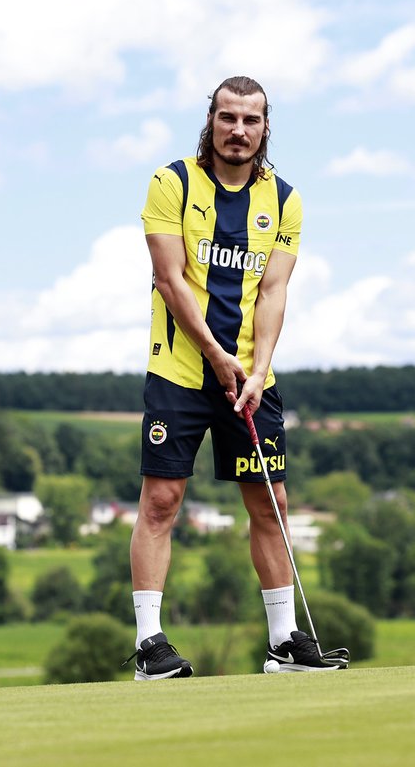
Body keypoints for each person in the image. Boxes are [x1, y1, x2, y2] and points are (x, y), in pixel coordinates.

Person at [127, 75, 334, 680]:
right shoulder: (172, 183)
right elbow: (170, 280)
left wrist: (258, 369)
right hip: (180, 373)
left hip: (250, 382)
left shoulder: (286, 199)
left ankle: (283, 643)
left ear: (266, 128)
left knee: (270, 506)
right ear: (210, 121)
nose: (238, 130)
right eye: (227, 118)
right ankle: (149, 645)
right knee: (162, 501)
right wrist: (218, 357)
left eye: (251, 120)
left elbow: (274, 290)